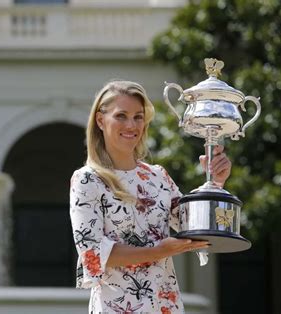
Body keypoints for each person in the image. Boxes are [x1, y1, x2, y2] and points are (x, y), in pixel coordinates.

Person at [69, 80, 232, 313]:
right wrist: (159, 251)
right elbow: (92, 253)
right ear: (100, 120)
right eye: (121, 116)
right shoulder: (87, 180)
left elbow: (194, 226)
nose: (132, 125)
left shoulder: (157, 176)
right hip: (116, 307)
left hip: (166, 305)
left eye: (138, 116)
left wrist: (215, 182)